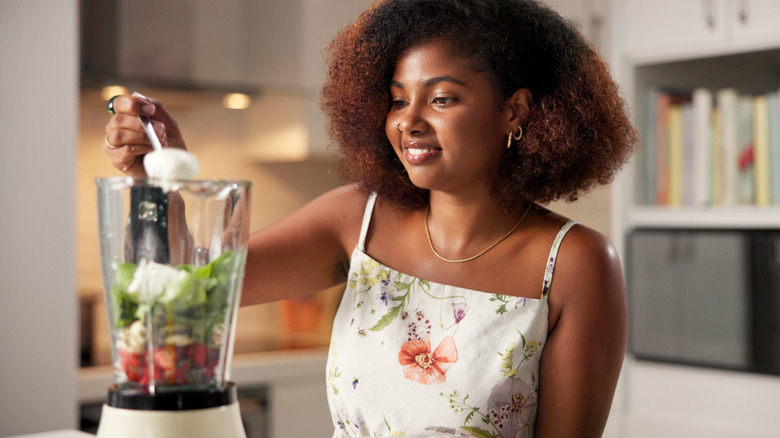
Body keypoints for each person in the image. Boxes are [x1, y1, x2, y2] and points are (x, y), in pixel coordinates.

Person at [103, 0, 637, 436]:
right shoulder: (358, 218)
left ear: (515, 111)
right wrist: (156, 179)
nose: (410, 122)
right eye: (398, 100)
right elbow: (195, 288)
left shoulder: (574, 264)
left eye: (443, 98)